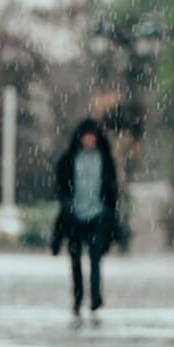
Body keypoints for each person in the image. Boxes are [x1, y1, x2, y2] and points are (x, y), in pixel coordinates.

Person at [52, 118, 119, 327]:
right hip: (74, 217)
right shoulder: (69, 159)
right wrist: (67, 204)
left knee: (96, 258)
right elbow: (61, 186)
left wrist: (109, 210)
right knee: (75, 259)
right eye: (86, 136)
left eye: (92, 136)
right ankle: (78, 296)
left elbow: (112, 189)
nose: (89, 140)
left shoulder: (105, 160)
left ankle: (96, 297)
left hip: (98, 215)